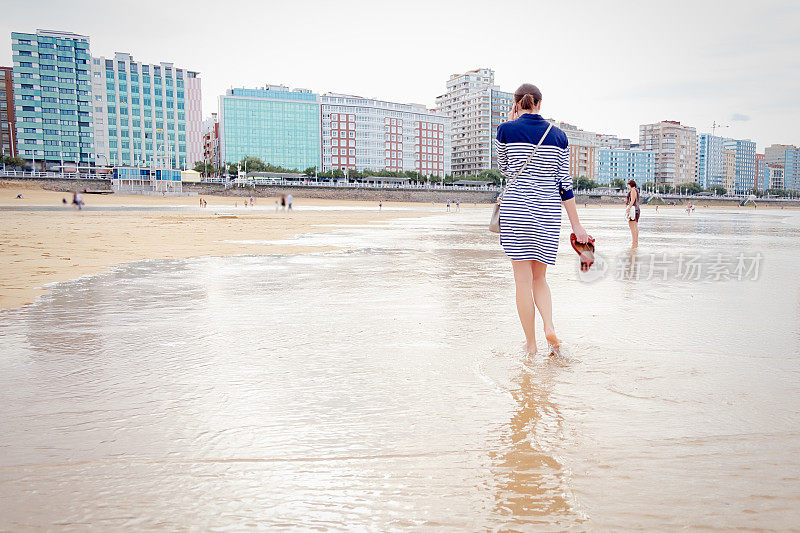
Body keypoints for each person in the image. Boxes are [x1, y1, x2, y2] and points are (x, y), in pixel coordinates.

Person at [496, 83, 591, 355]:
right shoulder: (559, 136)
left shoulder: (505, 130)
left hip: (516, 212)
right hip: (547, 214)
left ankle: (532, 343)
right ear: (540, 103)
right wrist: (577, 225)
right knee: (541, 279)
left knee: (522, 281)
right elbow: (564, 183)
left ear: (517, 104)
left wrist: (512, 121)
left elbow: (504, 168)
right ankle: (549, 325)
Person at [625, 179, 640, 248]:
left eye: (628, 185)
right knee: (635, 226)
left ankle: (634, 242)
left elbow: (633, 200)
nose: (627, 186)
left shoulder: (633, 190)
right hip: (637, 209)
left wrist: (628, 208)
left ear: (630, 185)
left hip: (633, 210)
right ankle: (636, 242)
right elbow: (634, 200)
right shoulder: (636, 190)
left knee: (632, 226)